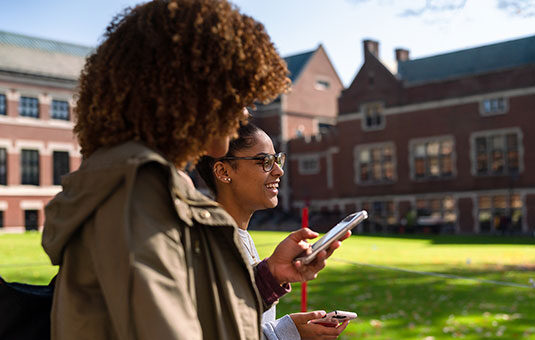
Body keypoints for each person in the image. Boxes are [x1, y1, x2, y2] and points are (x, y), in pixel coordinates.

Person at [41, 1, 346, 339]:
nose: (244, 113)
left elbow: (201, 318)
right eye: (233, 95)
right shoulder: (138, 194)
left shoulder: (140, 186)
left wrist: (271, 278)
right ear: (188, 93)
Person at [197, 123, 350, 340]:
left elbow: (243, 324)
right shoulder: (208, 243)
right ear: (223, 171)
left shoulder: (240, 237)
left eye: (277, 159)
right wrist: (287, 333)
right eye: (265, 161)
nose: (279, 170)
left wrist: (288, 330)